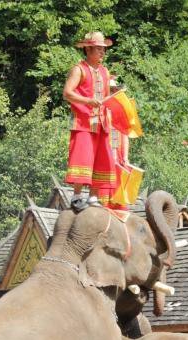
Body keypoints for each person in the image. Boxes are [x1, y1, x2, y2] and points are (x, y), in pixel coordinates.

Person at [63, 32, 117, 208]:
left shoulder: (104, 71)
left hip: (101, 122)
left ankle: (93, 197)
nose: (103, 53)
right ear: (88, 49)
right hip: (83, 122)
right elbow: (67, 93)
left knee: (101, 158)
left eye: (104, 49)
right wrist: (88, 101)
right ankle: (77, 197)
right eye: (99, 49)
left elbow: (107, 97)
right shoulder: (78, 69)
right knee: (82, 158)